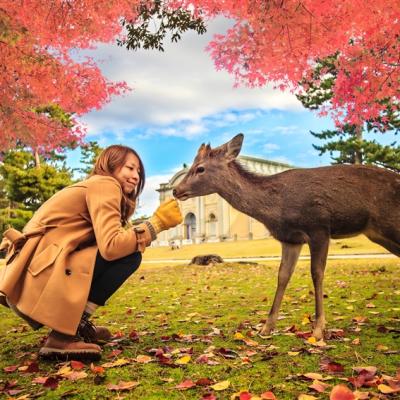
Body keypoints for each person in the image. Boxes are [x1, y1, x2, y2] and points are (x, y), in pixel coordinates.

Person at [0, 145, 183, 360]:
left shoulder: (94, 186)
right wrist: (156, 224)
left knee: (128, 250)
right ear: (111, 165)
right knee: (130, 256)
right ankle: (63, 335)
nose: (135, 176)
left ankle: (73, 325)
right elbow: (112, 246)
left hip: (32, 275)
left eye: (139, 172)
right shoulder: (106, 185)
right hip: (40, 277)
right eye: (130, 168)